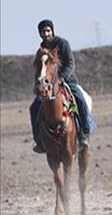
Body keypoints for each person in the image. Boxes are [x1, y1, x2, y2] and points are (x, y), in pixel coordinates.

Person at [30, 19, 93, 152]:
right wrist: (37, 84)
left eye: (48, 30)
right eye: (43, 31)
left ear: (52, 31)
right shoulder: (41, 50)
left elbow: (71, 63)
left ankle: (84, 134)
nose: (46, 33)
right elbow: (39, 70)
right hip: (48, 85)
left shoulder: (62, 44)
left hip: (67, 80)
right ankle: (38, 140)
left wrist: (63, 77)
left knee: (80, 99)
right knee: (34, 107)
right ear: (40, 33)